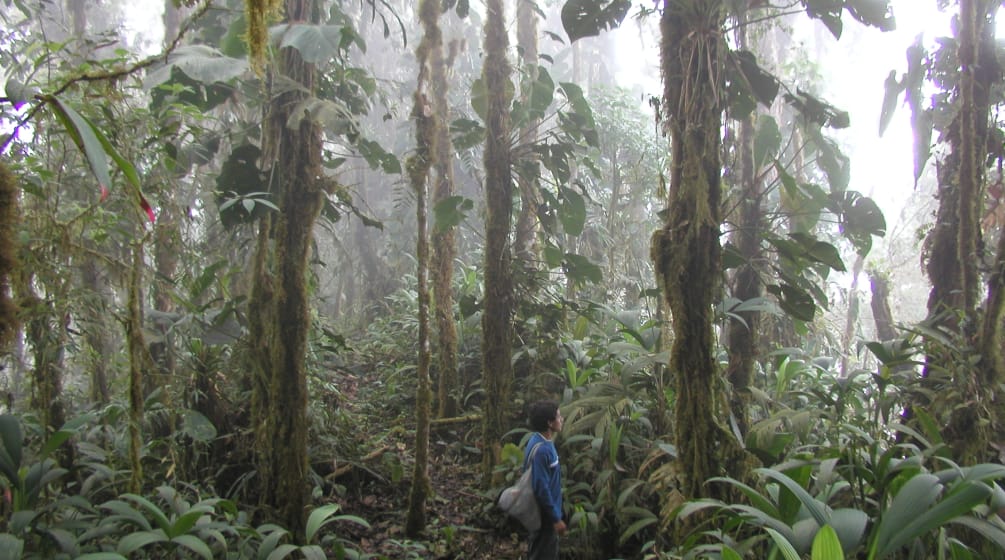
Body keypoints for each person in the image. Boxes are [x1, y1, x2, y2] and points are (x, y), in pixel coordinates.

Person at [523, 400, 566, 559]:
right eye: (558, 417)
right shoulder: (543, 450)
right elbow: (541, 487)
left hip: (543, 512)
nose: (561, 420)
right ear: (549, 423)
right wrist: (556, 518)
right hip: (545, 516)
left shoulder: (537, 440)